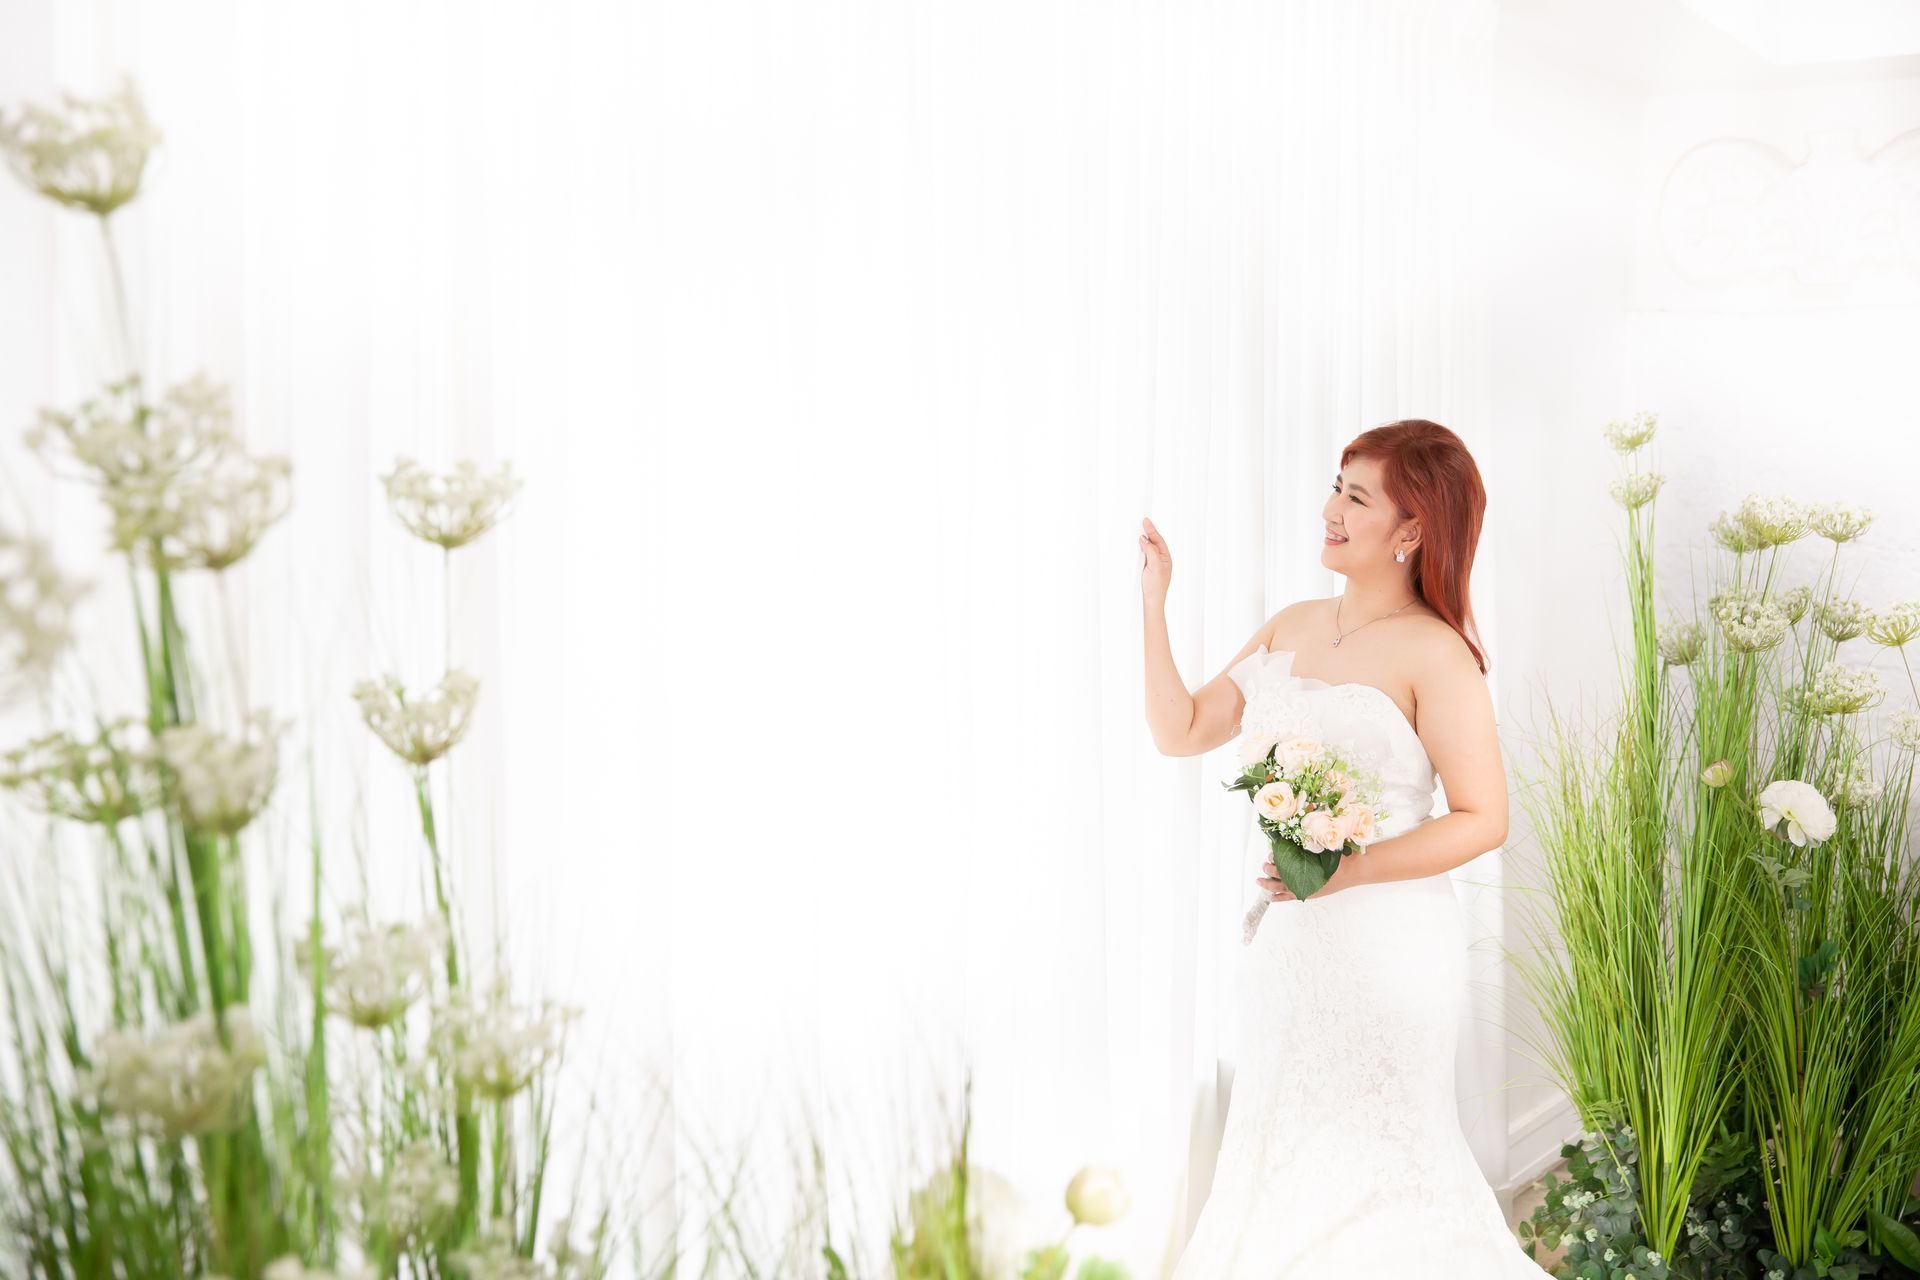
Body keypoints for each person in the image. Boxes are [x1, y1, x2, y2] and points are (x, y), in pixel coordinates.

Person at [1138, 420, 1554, 1277]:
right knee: (1279, 1154)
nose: (1330, 509)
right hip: (1290, 945)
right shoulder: (1290, 625)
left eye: (1357, 498)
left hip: (1388, 949)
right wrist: (1155, 605)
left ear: (1412, 530)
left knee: (1385, 1164)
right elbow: (1181, 732)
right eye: (1337, 486)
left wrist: (1348, 871)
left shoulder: (1437, 652)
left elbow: (1483, 817)